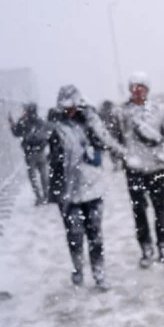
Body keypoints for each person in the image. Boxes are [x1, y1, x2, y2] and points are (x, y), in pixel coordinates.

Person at [48, 84, 127, 290]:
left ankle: (99, 273)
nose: (70, 111)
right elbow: (55, 160)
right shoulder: (56, 127)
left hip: (92, 188)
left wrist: (91, 119)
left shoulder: (89, 123)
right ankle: (78, 269)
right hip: (69, 191)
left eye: (74, 106)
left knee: (95, 235)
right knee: (74, 235)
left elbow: (105, 140)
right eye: (66, 107)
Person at [115, 72, 164, 268]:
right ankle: (145, 247)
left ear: (147, 89)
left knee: (160, 209)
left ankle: (163, 245)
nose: (137, 91)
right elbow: (113, 138)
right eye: (134, 87)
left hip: (156, 168)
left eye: (141, 87)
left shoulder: (160, 110)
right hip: (134, 170)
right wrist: (124, 155)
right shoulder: (121, 113)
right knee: (139, 210)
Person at [8, 102, 52, 205]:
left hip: (29, 154)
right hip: (40, 152)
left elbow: (16, 133)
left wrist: (11, 123)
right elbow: (47, 135)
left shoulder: (23, 122)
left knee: (33, 177)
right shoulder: (40, 122)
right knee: (44, 175)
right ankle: (46, 195)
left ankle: (39, 197)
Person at [99, 99, 124, 171]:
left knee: (114, 150)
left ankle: (117, 163)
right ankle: (117, 163)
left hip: (112, 134)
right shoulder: (111, 113)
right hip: (113, 134)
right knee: (114, 150)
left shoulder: (106, 113)